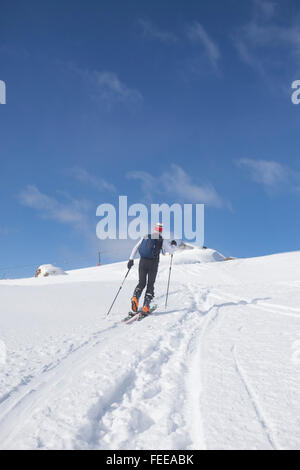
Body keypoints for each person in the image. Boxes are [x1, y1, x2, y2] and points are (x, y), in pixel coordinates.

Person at [127, 222, 177, 314]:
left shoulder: (146, 236)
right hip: (153, 263)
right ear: (161, 229)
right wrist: (174, 245)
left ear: (155, 228)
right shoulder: (161, 239)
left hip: (142, 262)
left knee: (141, 283)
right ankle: (146, 306)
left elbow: (136, 247)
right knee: (150, 284)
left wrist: (131, 260)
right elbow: (171, 251)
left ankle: (135, 297)